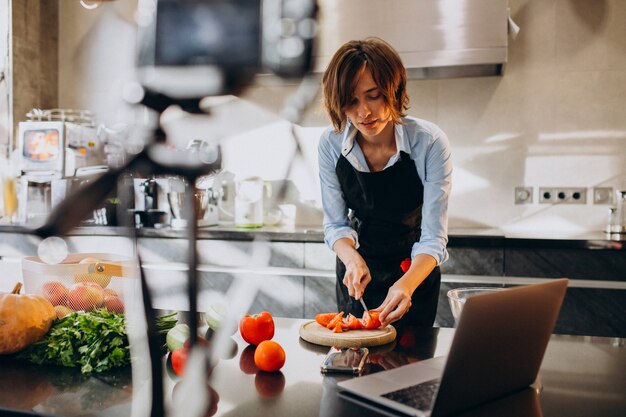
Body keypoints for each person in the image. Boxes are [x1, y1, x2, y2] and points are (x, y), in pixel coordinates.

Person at [318, 37, 452, 329]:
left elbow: (433, 238)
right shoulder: (330, 143)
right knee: (355, 365)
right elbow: (335, 225)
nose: (364, 111)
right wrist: (350, 258)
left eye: (374, 95)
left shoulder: (429, 143)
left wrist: (406, 285)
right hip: (358, 274)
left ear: (394, 89)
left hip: (414, 270)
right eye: (351, 101)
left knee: (411, 366)